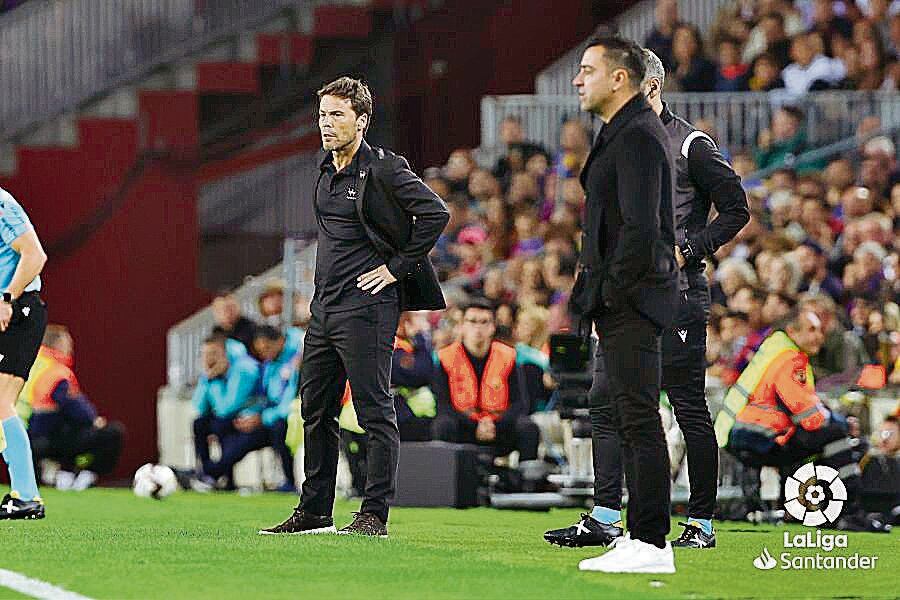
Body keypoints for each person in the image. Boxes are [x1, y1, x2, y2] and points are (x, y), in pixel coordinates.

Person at [546, 48, 749, 552]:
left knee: (683, 405)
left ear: (650, 88)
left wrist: (688, 249)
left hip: (676, 295)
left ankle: (700, 521)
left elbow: (736, 207)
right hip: (621, 298)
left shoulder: (691, 145)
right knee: (604, 401)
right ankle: (605, 515)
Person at [260, 77, 449, 538]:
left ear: (362, 121)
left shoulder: (384, 169)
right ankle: (314, 511)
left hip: (367, 309)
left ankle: (374, 514)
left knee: (373, 411)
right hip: (324, 309)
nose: (326, 124)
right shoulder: (324, 170)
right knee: (315, 411)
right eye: (323, 115)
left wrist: (395, 269)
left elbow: (436, 213)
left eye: (337, 115)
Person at [565, 35, 679, 574]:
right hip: (623, 298)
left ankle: (653, 543)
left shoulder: (636, 135)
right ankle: (640, 535)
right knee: (630, 416)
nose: (577, 79)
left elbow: (641, 230)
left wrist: (608, 294)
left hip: (632, 299)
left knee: (638, 418)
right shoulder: (622, 131)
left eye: (587, 69)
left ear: (620, 78)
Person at [715, 310, 889, 532]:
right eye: (811, 330)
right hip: (759, 437)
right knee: (835, 434)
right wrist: (843, 424)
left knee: (816, 439)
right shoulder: (790, 360)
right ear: (792, 332)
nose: (819, 336)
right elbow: (809, 417)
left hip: (745, 434)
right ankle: (848, 512)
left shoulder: (776, 352)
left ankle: (800, 508)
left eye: (820, 330)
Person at [431, 298, 540, 460]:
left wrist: (493, 425)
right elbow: (443, 406)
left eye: (484, 322)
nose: (478, 328)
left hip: (499, 427)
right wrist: (476, 425)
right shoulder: (445, 357)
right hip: (464, 426)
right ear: (462, 326)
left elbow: (520, 404)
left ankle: (526, 481)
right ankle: (444, 480)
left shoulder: (508, 356)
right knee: (442, 425)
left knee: (528, 427)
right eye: (472, 321)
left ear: (493, 327)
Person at [21, 325, 124, 490]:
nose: (71, 347)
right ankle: (81, 476)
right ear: (57, 344)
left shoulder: (28, 363)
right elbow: (75, 408)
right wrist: (94, 420)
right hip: (47, 439)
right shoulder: (55, 371)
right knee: (113, 432)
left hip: (21, 436)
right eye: (68, 343)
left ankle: (61, 472)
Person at [0, 186, 49, 520]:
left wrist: (7, 297)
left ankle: (27, 497)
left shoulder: (1, 204)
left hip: (18, 312)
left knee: (0, 401)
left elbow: (35, 255)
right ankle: (25, 496)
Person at [191, 334, 260, 490]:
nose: (209, 359)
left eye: (213, 354)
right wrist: (207, 378)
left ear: (225, 353)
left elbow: (226, 408)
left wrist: (213, 380)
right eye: (205, 354)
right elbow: (200, 408)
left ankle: (211, 475)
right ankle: (209, 473)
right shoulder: (212, 374)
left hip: (252, 418)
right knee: (200, 423)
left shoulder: (244, 369)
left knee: (221, 425)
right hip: (230, 419)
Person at [251, 325, 303, 492]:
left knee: (279, 429)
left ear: (280, 341)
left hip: (296, 414)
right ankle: (213, 475)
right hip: (275, 414)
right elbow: (267, 395)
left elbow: (289, 397)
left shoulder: (297, 356)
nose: (264, 354)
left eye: (267, 348)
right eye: (260, 351)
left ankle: (290, 480)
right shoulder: (270, 364)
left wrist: (264, 417)